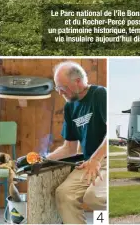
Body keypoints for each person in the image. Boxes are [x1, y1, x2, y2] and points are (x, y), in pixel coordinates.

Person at [47, 61, 107, 224]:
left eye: (62, 87)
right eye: (57, 88)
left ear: (77, 82)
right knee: (64, 193)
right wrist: (43, 160)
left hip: (105, 159)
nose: (59, 92)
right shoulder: (69, 107)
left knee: (94, 196)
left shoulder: (100, 94)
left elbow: (112, 133)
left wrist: (96, 159)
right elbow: (69, 148)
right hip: (88, 163)